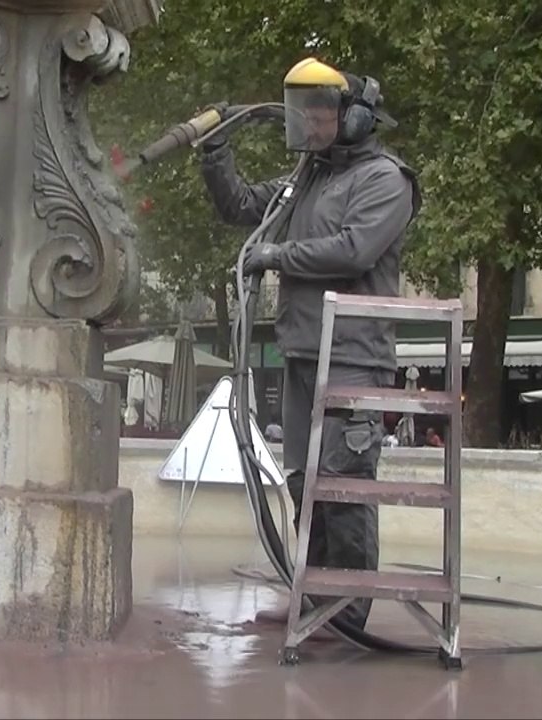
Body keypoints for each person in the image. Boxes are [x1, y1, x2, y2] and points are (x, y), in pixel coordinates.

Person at [199, 58, 421, 630]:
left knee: (343, 488)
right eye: (305, 116)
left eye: (319, 116)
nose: (309, 127)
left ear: (353, 118)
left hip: (352, 357)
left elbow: (353, 251)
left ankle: (347, 616)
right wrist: (215, 153)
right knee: (306, 483)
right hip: (303, 349)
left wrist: (274, 256)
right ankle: (316, 602)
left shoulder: (385, 180)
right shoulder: (308, 177)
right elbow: (245, 207)